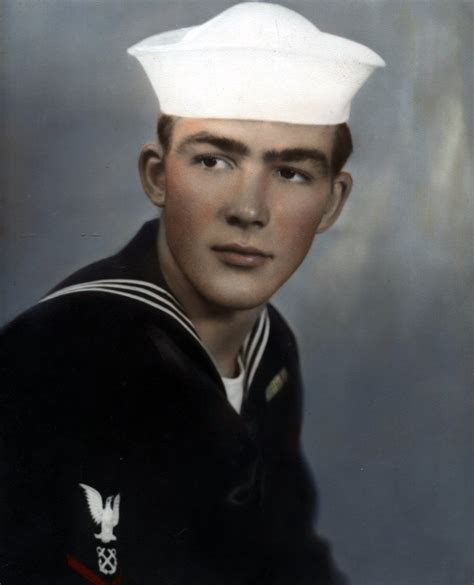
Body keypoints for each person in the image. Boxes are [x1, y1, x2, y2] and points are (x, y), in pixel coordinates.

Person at [0, 3, 384, 584]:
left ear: (332, 202)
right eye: (213, 160)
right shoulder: (56, 353)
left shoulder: (271, 347)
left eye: (291, 173)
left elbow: (287, 551)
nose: (249, 210)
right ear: (158, 176)